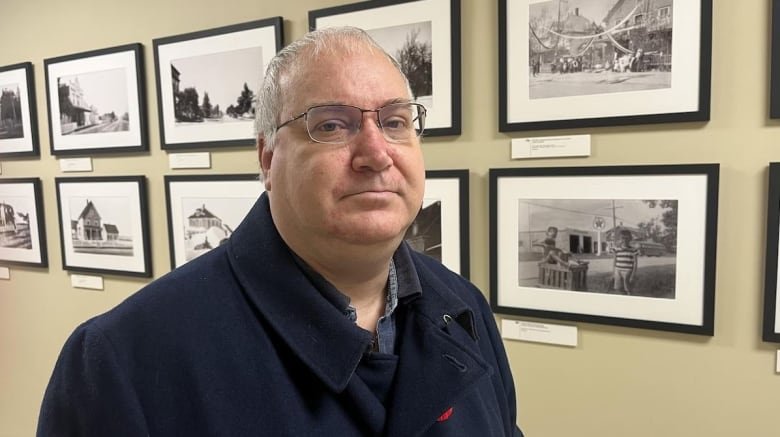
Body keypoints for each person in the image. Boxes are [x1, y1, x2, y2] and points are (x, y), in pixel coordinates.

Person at [37, 27, 523, 437]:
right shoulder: (122, 360)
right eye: (332, 125)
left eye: (395, 121)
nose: (377, 153)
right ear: (268, 159)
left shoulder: (462, 309)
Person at [611, 229, 639, 295]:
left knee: (628, 288)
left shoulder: (633, 250)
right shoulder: (616, 249)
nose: (624, 240)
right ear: (620, 239)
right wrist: (613, 272)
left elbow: (635, 263)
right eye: (622, 238)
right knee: (618, 288)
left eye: (627, 238)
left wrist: (633, 275)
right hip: (618, 270)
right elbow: (614, 261)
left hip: (628, 270)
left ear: (630, 239)